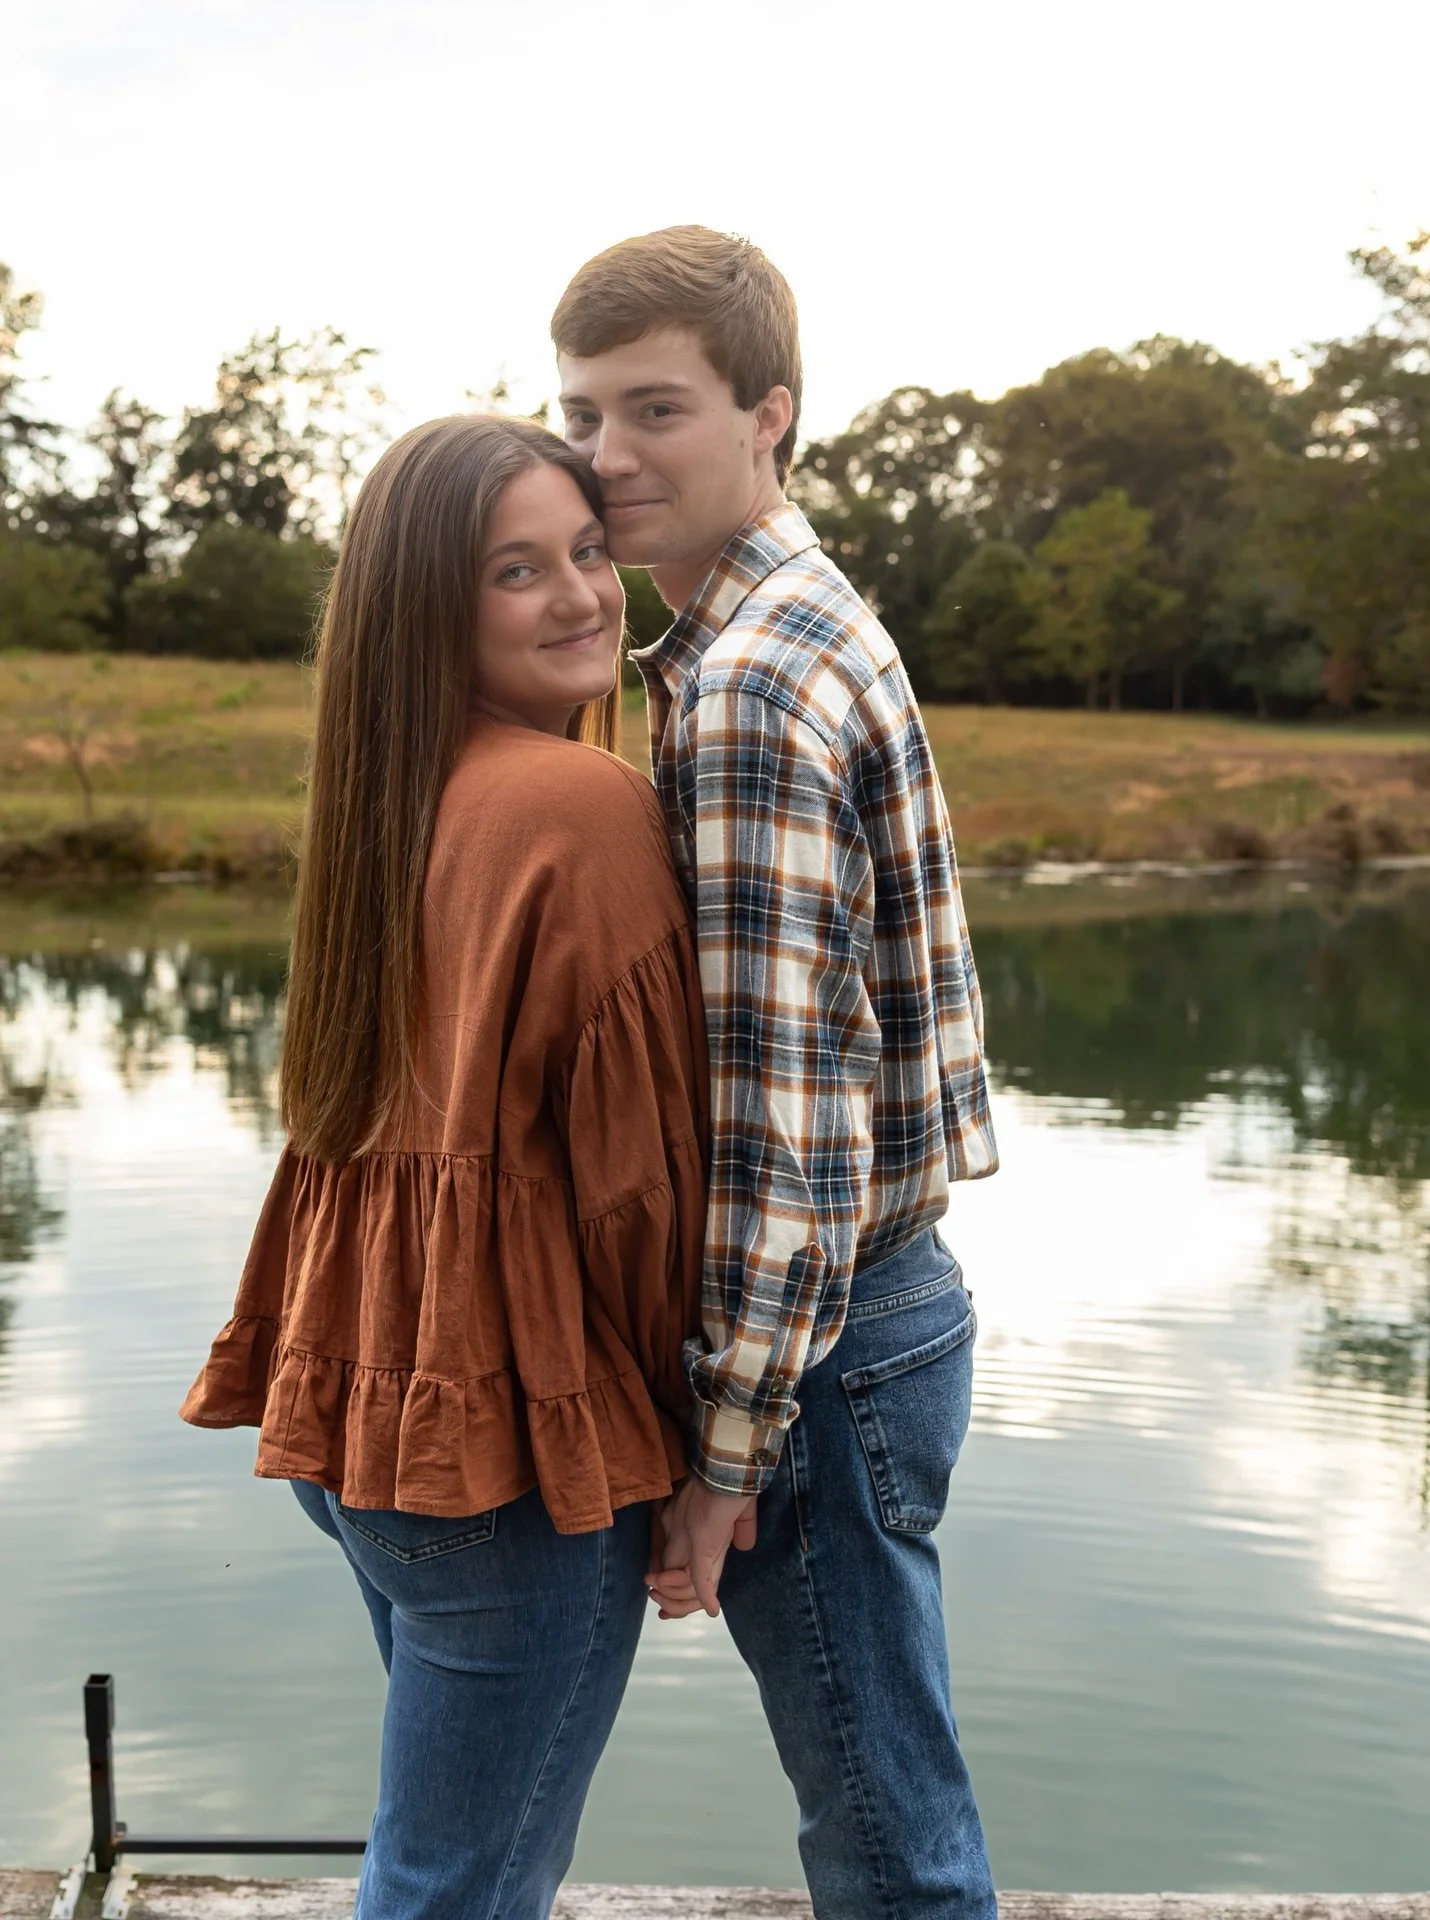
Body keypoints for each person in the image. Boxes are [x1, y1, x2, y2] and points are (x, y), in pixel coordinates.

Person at [180, 414, 711, 1920]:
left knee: (435, 1867)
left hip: (366, 1409)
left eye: (591, 552)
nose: (585, 595)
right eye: (517, 571)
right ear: (431, 609)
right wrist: (700, 1450)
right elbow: (637, 1197)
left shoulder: (388, 794)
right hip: (507, 1454)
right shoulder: (578, 805)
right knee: (457, 1890)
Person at [553, 228, 1001, 1920]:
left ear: (771, 416)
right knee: (891, 1807)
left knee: (886, 1844)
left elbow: (781, 1124)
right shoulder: (807, 620)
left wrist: (726, 1450)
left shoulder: (743, 692)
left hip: (820, 1347)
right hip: (876, 1310)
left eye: (655, 409)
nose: (607, 458)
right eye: (583, 411)